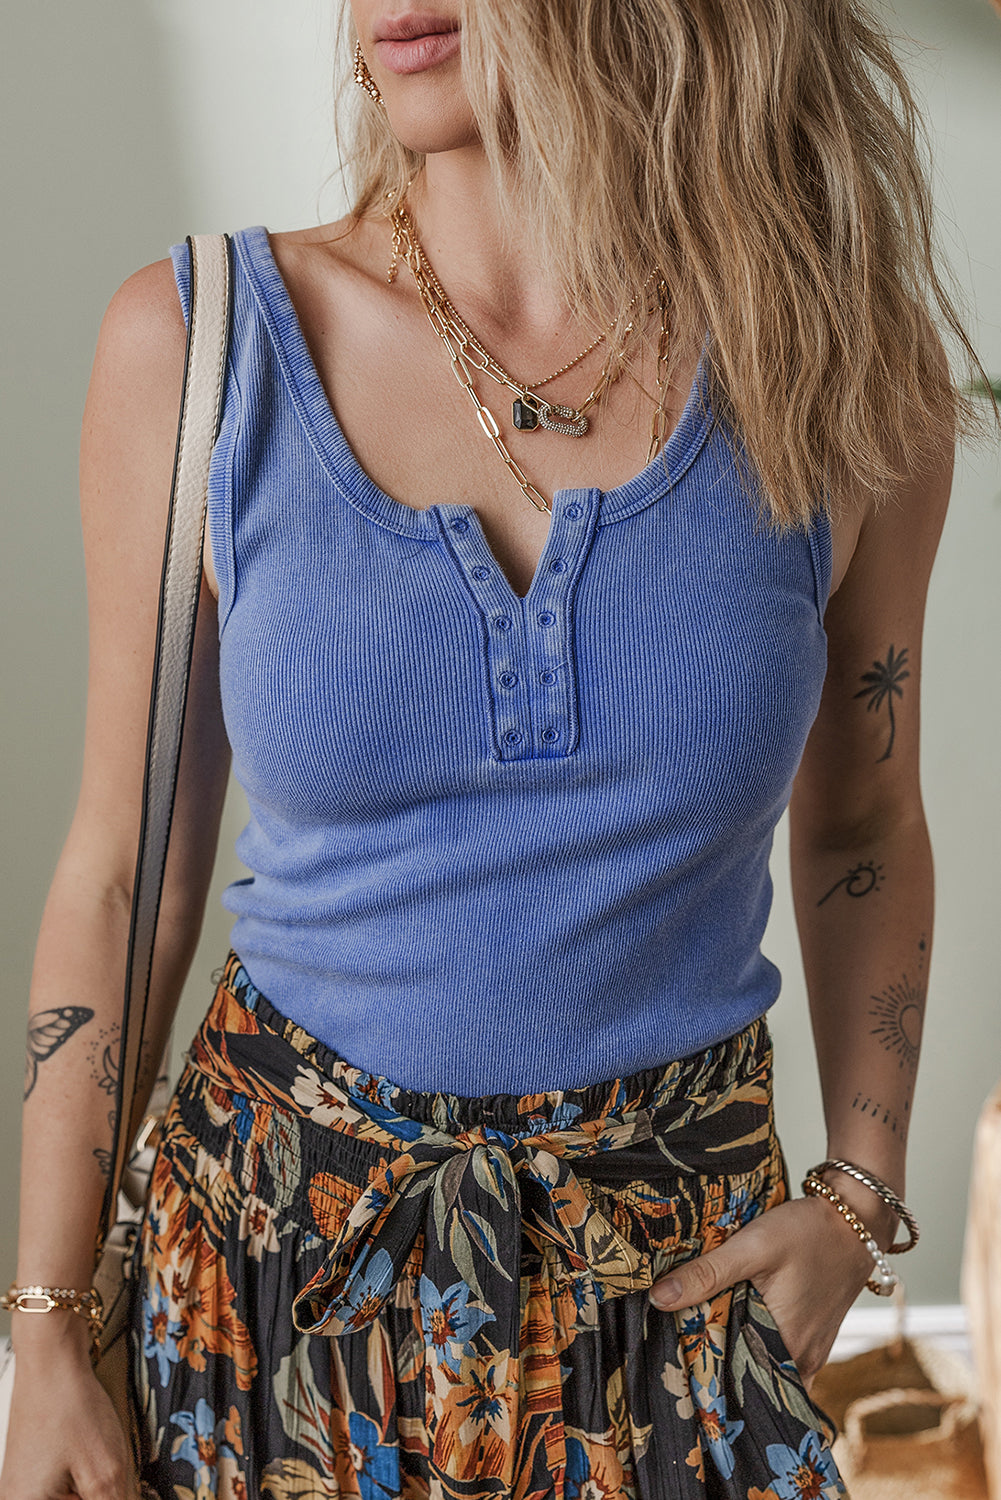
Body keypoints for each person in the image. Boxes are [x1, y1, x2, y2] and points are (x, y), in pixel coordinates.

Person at [1, 1, 993, 1496]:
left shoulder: (840, 372)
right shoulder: (201, 346)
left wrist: (857, 1195)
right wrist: (48, 1331)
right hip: (264, 1297)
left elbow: (863, 821)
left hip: (669, 1294)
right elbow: (121, 873)